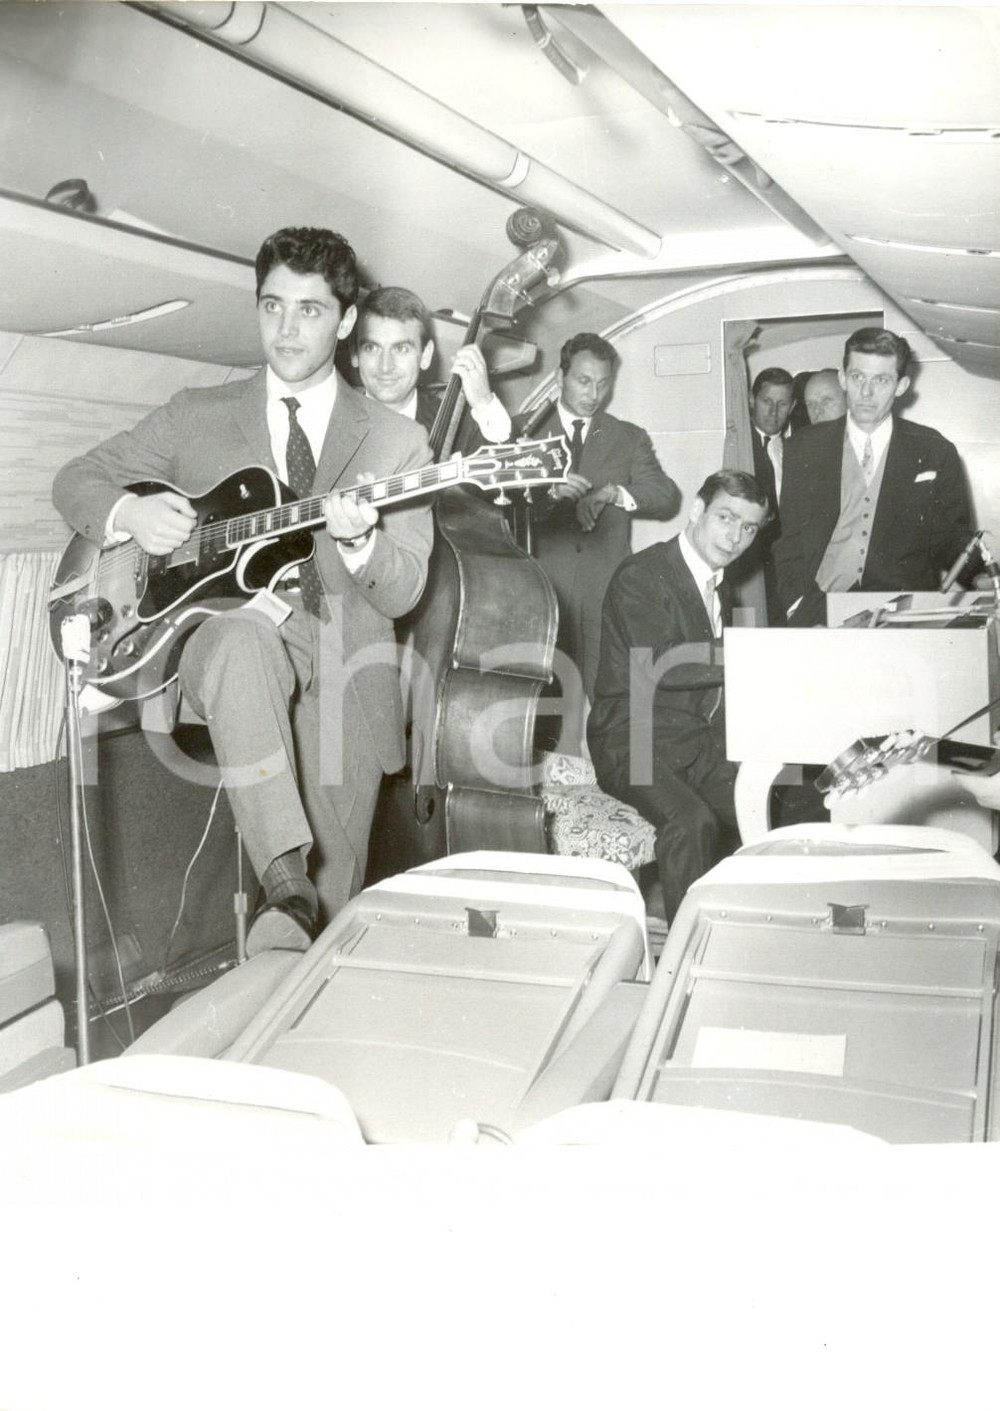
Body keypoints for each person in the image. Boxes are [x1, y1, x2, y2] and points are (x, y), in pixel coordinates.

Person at [52, 227, 432, 953]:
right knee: (244, 634)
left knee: (324, 937)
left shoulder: (396, 442)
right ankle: (286, 875)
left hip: (347, 681)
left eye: (311, 311)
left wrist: (360, 541)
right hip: (224, 648)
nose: (286, 330)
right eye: (272, 307)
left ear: (347, 321)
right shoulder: (196, 413)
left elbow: (406, 589)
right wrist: (129, 512)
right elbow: (75, 479)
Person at [587, 471, 770, 922]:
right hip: (633, 741)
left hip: (690, 740)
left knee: (769, 804)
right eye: (726, 518)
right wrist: (759, 651)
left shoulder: (715, 581)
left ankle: (758, 928)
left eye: (749, 528)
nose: (736, 536)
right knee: (692, 822)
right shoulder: (643, 574)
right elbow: (667, 663)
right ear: (697, 511)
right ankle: (685, 951)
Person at [512, 332, 680, 702]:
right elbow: (495, 509)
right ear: (560, 378)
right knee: (543, 709)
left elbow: (666, 496)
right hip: (541, 592)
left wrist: (615, 493)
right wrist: (548, 492)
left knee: (610, 703)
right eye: (583, 381)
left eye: (603, 384)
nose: (593, 395)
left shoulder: (628, 437)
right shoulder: (519, 432)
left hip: (605, 592)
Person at [774, 328, 975, 627]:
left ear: (901, 385)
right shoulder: (803, 448)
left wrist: (979, 569)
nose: (866, 393)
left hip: (903, 614)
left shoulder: (935, 451)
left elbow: (950, 539)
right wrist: (796, 606)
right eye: (858, 378)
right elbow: (789, 540)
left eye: (881, 380)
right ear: (843, 378)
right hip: (820, 610)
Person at [351, 285, 510, 442]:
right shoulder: (330, 415)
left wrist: (484, 403)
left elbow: (512, 460)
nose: (385, 366)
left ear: (426, 355)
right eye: (371, 348)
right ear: (355, 354)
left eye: (401, 349)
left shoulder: (455, 427)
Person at [730, 366, 795, 622]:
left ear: (792, 407)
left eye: (782, 403)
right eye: (767, 401)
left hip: (786, 568)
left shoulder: (798, 451)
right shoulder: (737, 448)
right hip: (748, 565)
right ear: (750, 400)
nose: (773, 411)